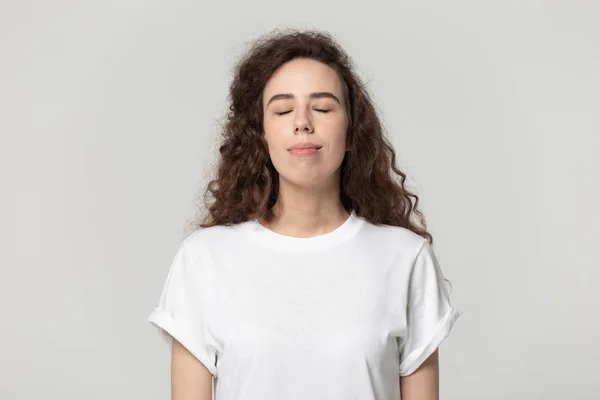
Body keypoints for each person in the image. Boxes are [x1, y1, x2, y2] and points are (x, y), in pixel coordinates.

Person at [148, 29, 461, 400]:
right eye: (282, 110)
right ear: (261, 136)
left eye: (324, 108)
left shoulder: (405, 258)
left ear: (351, 133)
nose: (302, 123)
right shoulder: (204, 259)